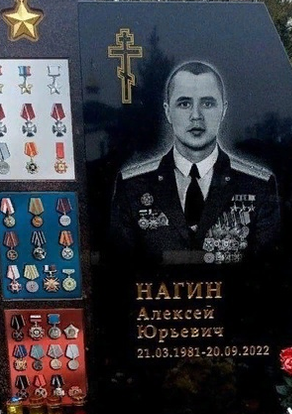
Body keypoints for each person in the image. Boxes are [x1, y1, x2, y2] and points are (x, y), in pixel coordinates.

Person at [109, 60, 281, 265]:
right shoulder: (132, 187)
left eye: (207, 104)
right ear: (168, 111)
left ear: (223, 110)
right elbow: (121, 269)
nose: (196, 116)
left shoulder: (258, 186)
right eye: (184, 104)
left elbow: (267, 271)